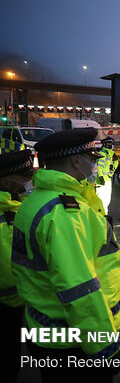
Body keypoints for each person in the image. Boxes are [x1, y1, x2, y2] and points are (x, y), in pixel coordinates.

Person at [11, 128, 120, 383]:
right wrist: (104, 349)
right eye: (92, 158)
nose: (94, 164)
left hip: (49, 332)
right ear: (76, 160)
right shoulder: (63, 213)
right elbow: (80, 289)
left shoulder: (36, 200)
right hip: (73, 343)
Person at [0, 150, 33, 382]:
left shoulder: (18, 204)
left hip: (17, 302)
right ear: (5, 179)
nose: (27, 182)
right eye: (22, 177)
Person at [95, 137, 118, 216]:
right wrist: (100, 176)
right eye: (109, 144)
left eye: (111, 144)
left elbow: (114, 165)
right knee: (101, 199)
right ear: (104, 145)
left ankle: (105, 214)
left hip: (108, 179)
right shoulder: (102, 154)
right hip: (101, 181)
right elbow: (99, 166)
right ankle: (101, 215)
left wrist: (114, 164)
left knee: (107, 199)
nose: (111, 145)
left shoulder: (110, 154)